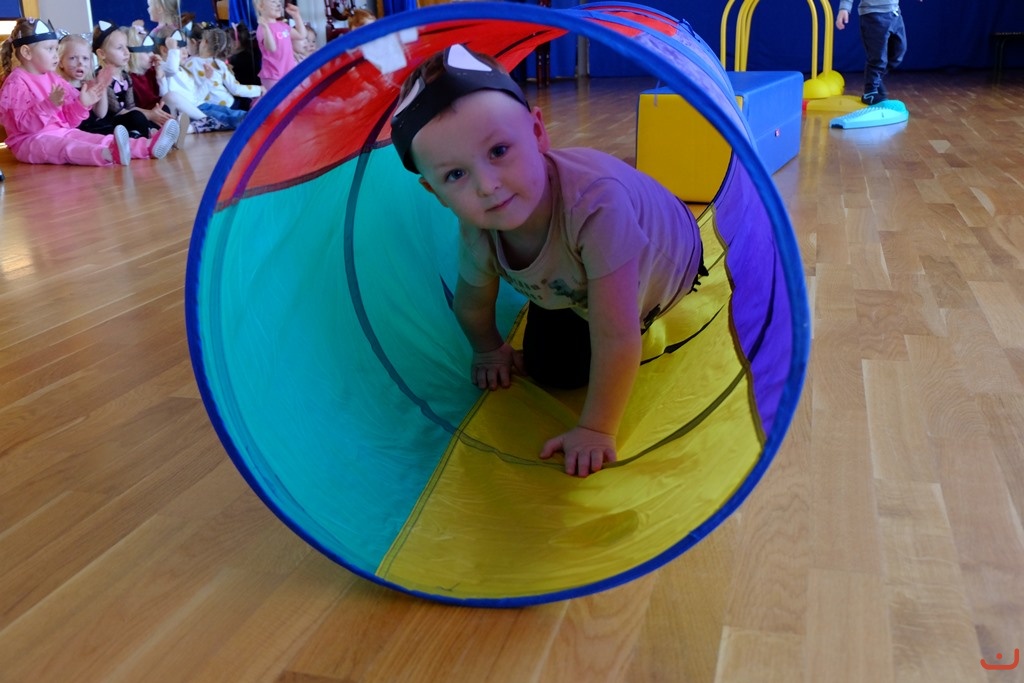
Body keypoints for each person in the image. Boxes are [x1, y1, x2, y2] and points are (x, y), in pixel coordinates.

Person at [390, 44, 706, 478]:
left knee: (582, 361)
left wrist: (596, 429)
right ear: (435, 192)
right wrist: (489, 351)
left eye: (499, 151)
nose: (487, 186)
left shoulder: (597, 207)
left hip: (667, 258)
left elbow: (617, 335)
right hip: (571, 275)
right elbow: (471, 303)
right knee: (550, 368)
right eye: (455, 175)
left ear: (538, 133)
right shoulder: (478, 226)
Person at [0, 18, 179, 167]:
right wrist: (49, 105)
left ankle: (147, 146)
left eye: (56, 49)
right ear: (27, 52)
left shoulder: (53, 78)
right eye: (50, 49)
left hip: (61, 131)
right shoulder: (16, 82)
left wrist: (82, 103)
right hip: (30, 141)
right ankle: (109, 154)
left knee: (93, 138)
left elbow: (69, 120)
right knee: (68, 147)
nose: (56, 55)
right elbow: (24, 126)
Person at [835, 0, 922, 105]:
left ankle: (876, 79)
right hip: (873, 16)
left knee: (898, 52)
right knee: (878, 57)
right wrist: (844, 8)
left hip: (895, 14)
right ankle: (870, 92)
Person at [90, 21, 164, 138]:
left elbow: (130, 107)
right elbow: (117, 111)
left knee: (162, 109)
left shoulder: (125, 77)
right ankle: (148, 135)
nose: (126, 52)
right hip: (112, 122)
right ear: (102, 54)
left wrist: (154, 113)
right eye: (120, 48)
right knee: (136, 117)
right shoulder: (101, 76)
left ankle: (156, 132)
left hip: (127, 116)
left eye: (126, 47)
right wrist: (149, 114)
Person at [184, 26, 262, 130]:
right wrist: (259, 90)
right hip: (228, 104)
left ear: (205, 42)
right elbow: (236, 89)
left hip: (208, 106)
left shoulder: (188, 63)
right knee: (240, 116)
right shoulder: (220, 64)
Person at [255, 0, 307, 91]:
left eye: (279, 1)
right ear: (261, 6)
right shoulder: (262, 28)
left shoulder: (282, 25)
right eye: (273, 2)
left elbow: (301, 35)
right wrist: (266, 28)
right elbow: (272, 48)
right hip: (273, 76)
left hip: (288, 72)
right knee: (280, 99)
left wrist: (296, 16)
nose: (278, 4)